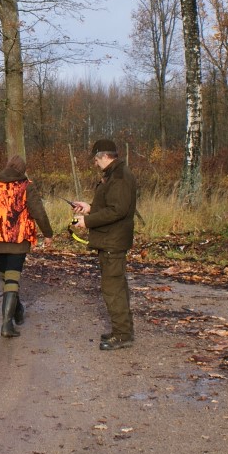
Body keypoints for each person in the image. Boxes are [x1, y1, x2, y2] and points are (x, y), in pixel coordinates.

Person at [0, 155, 53, 338]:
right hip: (18, 240)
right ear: (22, 170)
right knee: (12, 280)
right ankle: (6, 324)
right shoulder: (26, 186)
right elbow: (39, 212)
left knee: (8, 279)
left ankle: (18, 309)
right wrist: (48, 234)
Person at [72, 138, 138, 351]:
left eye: (96, 159)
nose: (95, 163)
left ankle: (122, 335)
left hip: (113, 241)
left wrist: (87, 221)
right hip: (110, 240)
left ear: (105, 156)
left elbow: (117, 210)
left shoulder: (119, 176)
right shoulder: (114, 174)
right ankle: (122, 330)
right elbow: (111, 205)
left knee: (113, 289)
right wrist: (89, 208)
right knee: (116, 287)